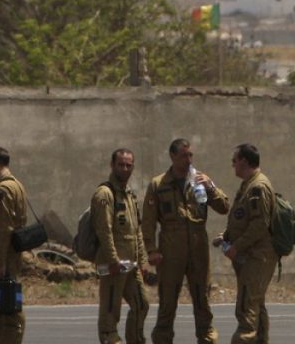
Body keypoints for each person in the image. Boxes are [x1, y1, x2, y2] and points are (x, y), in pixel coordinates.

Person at [143, 138, 230, 344]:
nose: (188, 159)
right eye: (184, 155)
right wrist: (151, 250)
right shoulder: (159, 184)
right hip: (171, 248)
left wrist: (210, 187)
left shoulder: (199, 180)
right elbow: (148, 221)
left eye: (190, 155)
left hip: (198, 247)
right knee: (167, 301)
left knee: (202, 299)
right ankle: (163, 339)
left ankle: (206, 339)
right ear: (173, 156)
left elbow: (224, 206)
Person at [214, 143, 277, 344]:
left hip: (257, 257)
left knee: (246, 310)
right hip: (250, 256)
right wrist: (226, 237)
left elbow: (260, 224)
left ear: (244, 161)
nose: (233, 166)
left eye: (234, 161)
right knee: (256, 306)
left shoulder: (258, 187)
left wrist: (237, 246)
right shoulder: (249, 185)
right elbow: (244, 220)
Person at [93, 148, 151, 344]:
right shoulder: (105, 194)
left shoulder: (129, 195)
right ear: (112, 165)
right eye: (121, 164)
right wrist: (113, 260)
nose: (125, 169)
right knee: (110, 314)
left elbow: (137, 231)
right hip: (113, 267)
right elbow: (104, 232)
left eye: (129, 165)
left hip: (131, 265)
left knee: (141, 304)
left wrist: (142, 260)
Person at [0, 146, 27, 344]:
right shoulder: (16, 185)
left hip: (4, 261)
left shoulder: (3, 189)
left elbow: (3, 228)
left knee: (7, 313)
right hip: (11, 258)